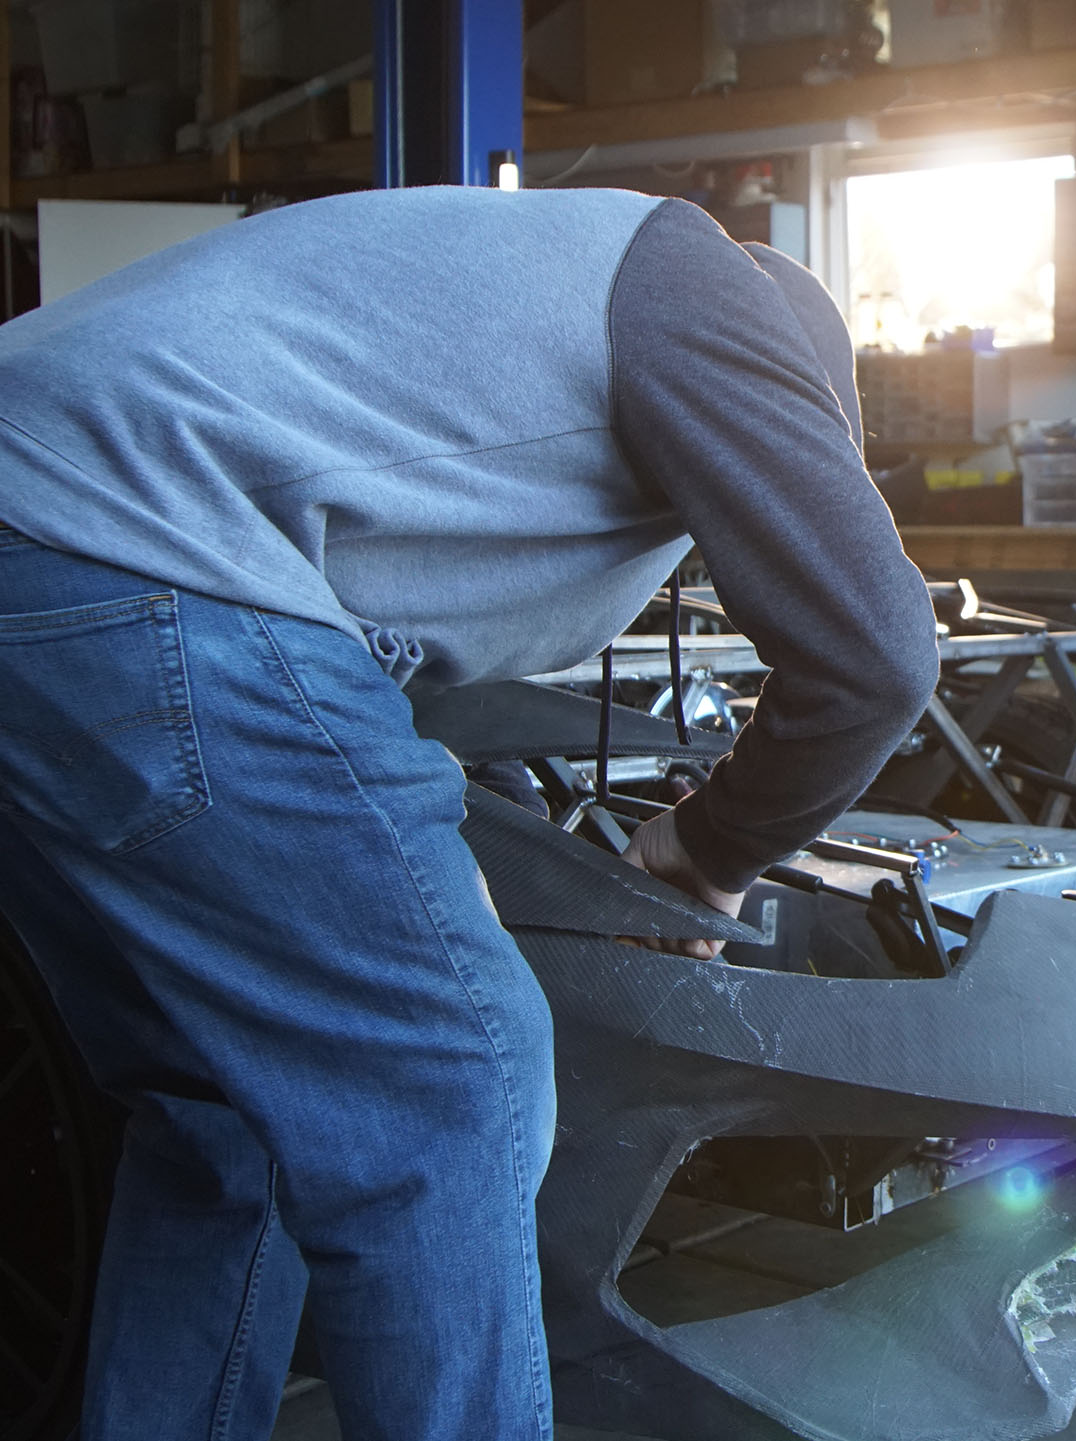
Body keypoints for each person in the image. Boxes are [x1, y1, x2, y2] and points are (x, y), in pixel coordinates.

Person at [0, 187, 939, 1439]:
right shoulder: (713, 300)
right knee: (450, 1082)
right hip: (135, 544)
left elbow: (371, 642)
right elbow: (877, 658)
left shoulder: (518, 297)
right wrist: (708, 850)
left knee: (225, 1099)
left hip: (46, 529)